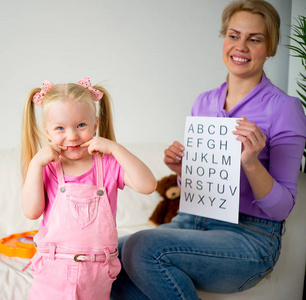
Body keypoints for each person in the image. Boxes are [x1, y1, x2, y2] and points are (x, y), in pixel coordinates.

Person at [110, 0, 306, 299]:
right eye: (233, 35)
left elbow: (282, 208)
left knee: (143, 246)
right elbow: (202, 188)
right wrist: (182, 171)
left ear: (270, 48)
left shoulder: (285, 109)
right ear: (224, 39)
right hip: (192, 221)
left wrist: (252, 163)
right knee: (111, 255)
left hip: (249, 237)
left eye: (254, 39)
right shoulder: (204, 102)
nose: (240, 46)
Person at [21, 78, 157, 300]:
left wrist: (115, 148)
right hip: (53, 270)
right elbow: (31, 211)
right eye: (60, 128)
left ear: (95, 124)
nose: (72, 136)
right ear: (47, 131)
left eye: (81, 125)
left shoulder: (108, 165)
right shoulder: (47, 168)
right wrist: (36, 164)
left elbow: (148, 185)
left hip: (97, 273)